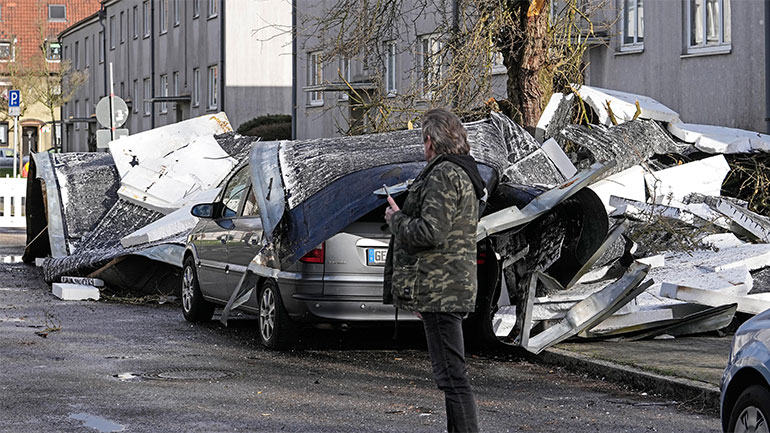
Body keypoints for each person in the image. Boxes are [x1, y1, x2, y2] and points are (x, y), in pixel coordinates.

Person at [383, 108, 486, 433]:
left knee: (452, 377)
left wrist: (396, 219)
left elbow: (431, 232)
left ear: (430, 141)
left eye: (423, 139)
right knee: (451, 376)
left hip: (441, 288)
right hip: (442, 287)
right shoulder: (462, 172)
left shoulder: (444, 175)